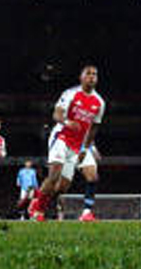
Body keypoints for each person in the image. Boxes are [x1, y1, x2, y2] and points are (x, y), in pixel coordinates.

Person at [29, 66, 105, 222]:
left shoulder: (99, 102)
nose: (92, 76)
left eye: (94, 74)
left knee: (85, 179)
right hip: (61, 138)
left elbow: (93, 128)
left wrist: (87, 148)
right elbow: (56, 114)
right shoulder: (70, 94)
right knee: (54, 175)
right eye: (88, 74)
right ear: (81, 77)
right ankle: (38, 210)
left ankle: (86, 213)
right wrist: (67, 122)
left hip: (79, 145)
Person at [75, 143, 101, 221]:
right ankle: (42, 207)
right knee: (59, 183)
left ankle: (87, 212)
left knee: (93, 178)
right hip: (69, 145)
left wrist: (93, 148)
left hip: (84, 146)